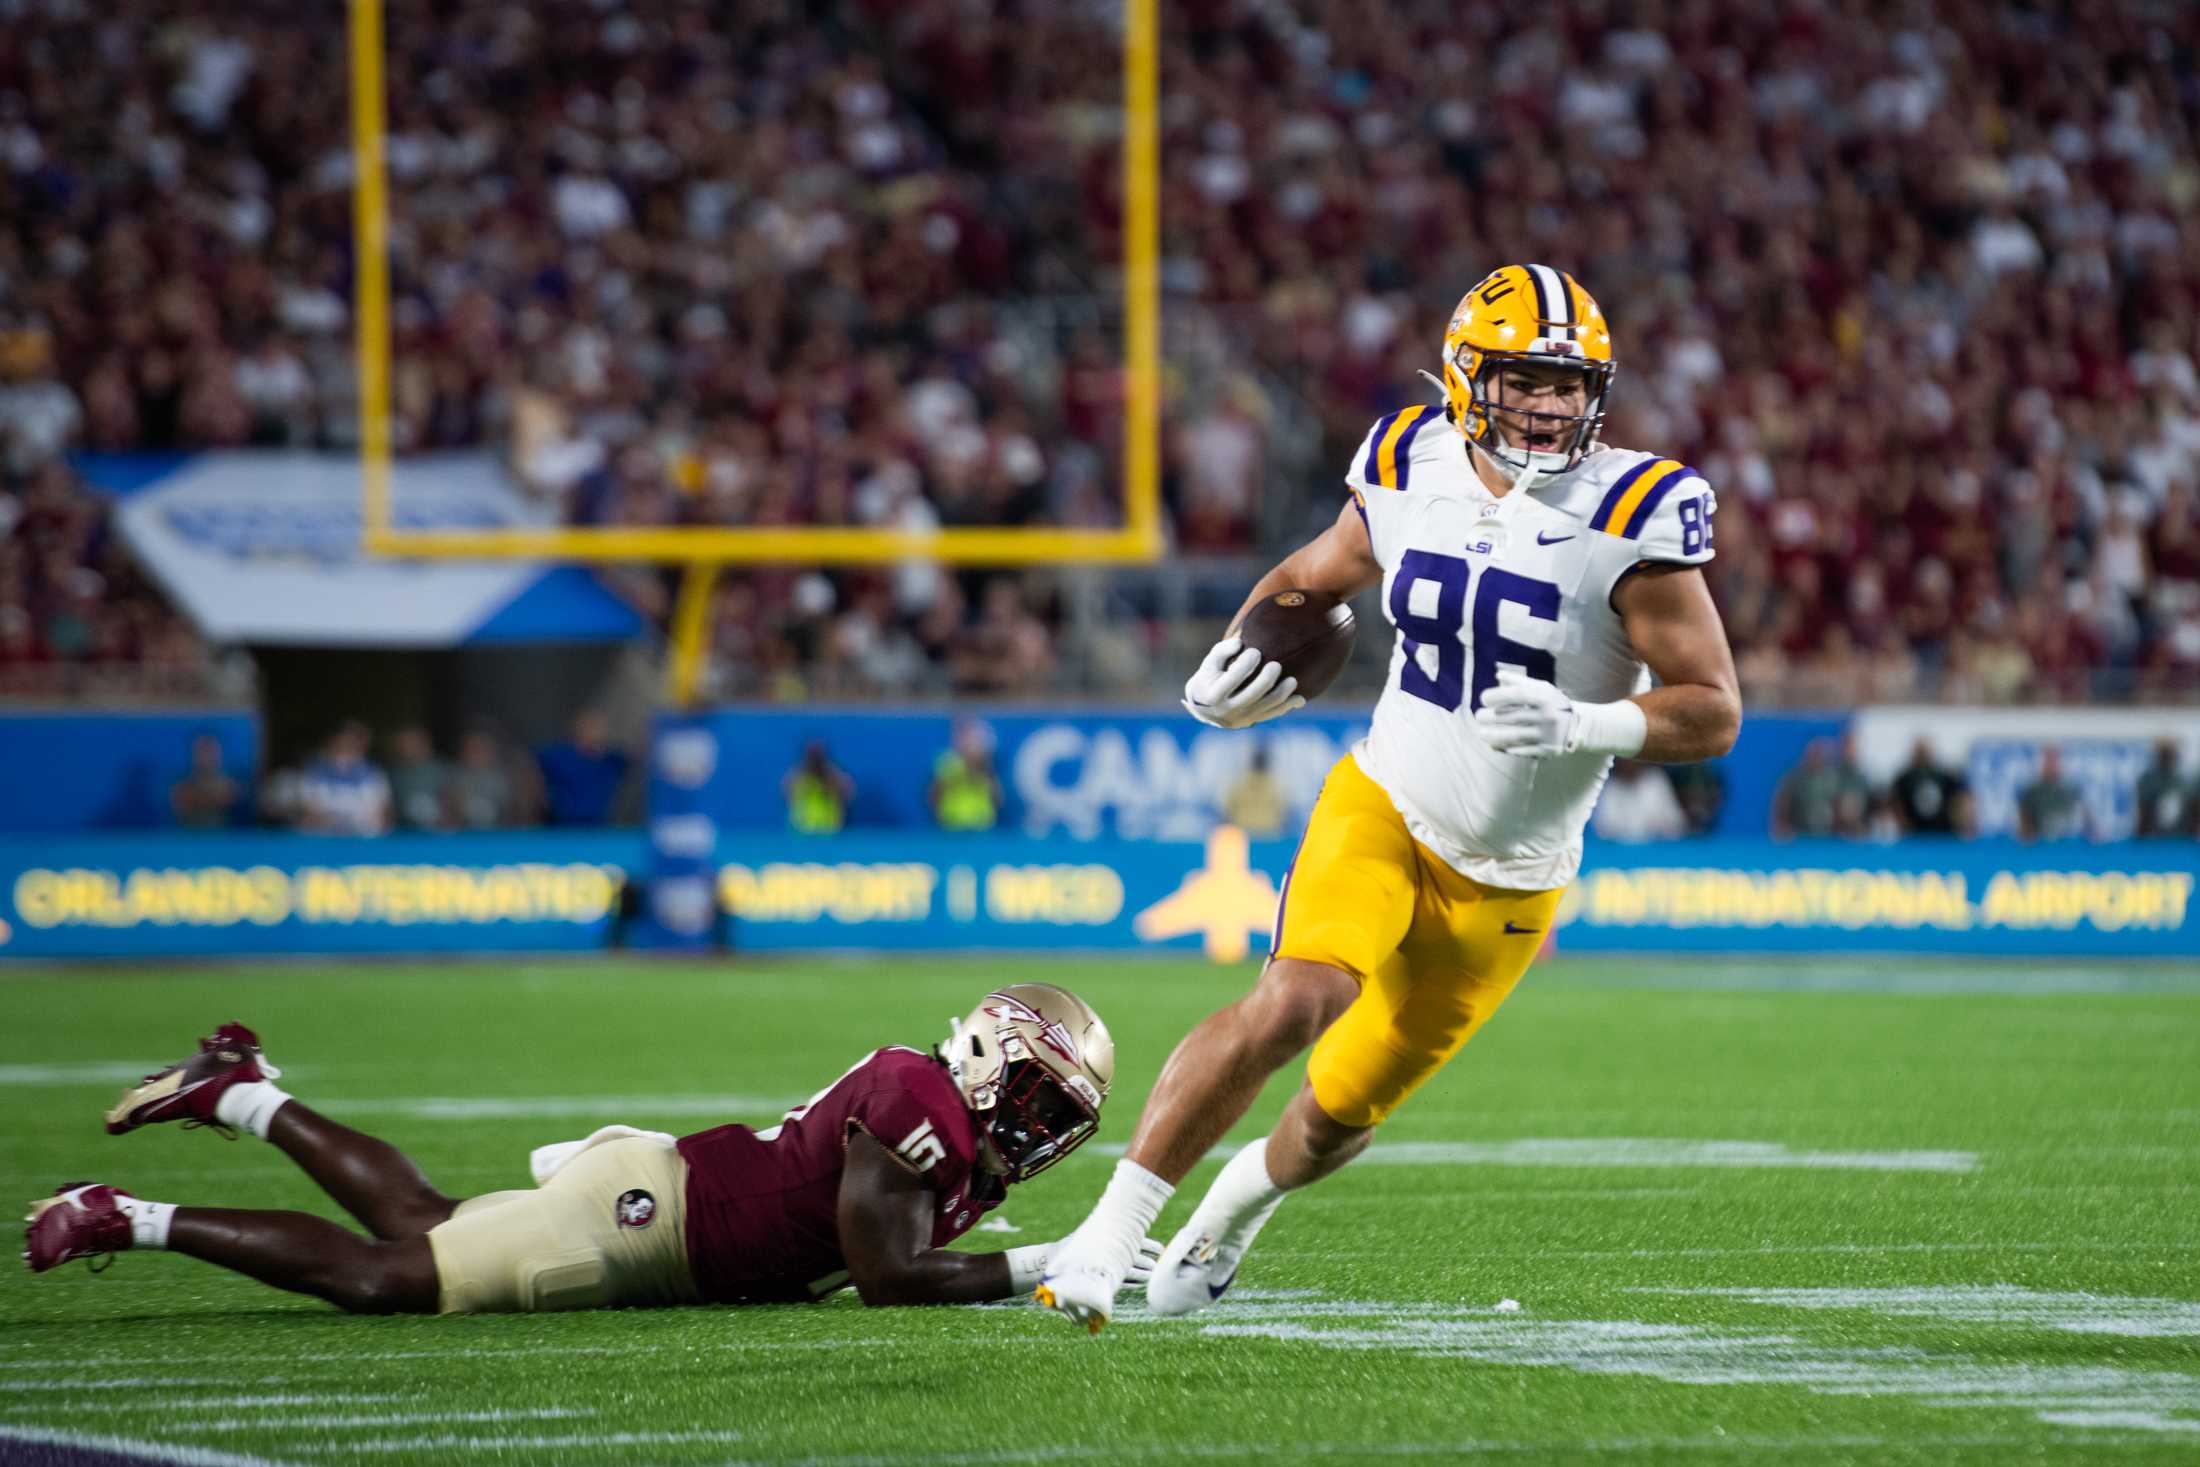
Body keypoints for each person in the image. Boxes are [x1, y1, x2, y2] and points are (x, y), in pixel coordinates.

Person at [1035, 264, 1740, 1331]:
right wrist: (1230, 661)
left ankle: (1231, 1210)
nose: (1549, 406)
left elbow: (1714, 709)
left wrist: (1588, 723)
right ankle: (1111, 1231)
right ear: (1465, 376)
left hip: (1510, 881)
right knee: (1298, 998)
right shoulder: (1407, 458)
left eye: (1568, 384)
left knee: (1333, 1118)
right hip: (1385, 802)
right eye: (1523, 380)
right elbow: (1312, 577)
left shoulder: (1638, 509)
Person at [27, 987, 1158, 1313]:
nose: (1034, 1127)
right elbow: (886, 1277)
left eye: (1056, 1114)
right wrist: (1050, 1264)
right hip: (646, 1225)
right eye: (1030, 1094)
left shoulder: (950, 1129)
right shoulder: (919, 1099)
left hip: (667, 1199)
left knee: (424, 1221)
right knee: (392, 1276)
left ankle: (239, 1093)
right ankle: (124, 1216)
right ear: (977, 1054)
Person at [534, 710, 631, 826]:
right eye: (590, 727)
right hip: (560, 826)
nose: (596, 732)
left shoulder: (613, 760)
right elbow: (529, 770)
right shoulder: (555, 755)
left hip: (597, 827)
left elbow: (640, 756)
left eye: (599, 728)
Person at [294, 721, 391, 836]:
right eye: (342, 742)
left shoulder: (374, 774)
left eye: (353, 743)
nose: (346, 746)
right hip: (323, 838)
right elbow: (307, 810)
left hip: (363, 839)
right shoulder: (313, 772)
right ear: (332, 742)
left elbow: (383, 813)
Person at [929, 718, 1002, 832]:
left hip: (981, 824)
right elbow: (933, 797)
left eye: (972, 739)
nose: (968, 743)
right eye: (964, 738)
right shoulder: (947, 761)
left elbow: (998, 798)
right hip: (951, 824)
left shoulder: (987, 764)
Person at [1590, 759, 1690, 842]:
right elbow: (1602, 829)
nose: (1629, 765)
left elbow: (1677, 823)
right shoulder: (1610, 787)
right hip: (1619, 855)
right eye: (1625, 762)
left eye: (1632, 761)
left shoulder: (1656, 780)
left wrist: (1661, 827)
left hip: (1657, 852)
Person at [1890, 738, 1970, 837]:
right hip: (1913, 835)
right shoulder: (1904, 779)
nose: (1923, 755)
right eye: (1920, 752)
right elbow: (1896, 804)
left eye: (1925, 751)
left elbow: (1957, 801)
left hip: (1943, 833)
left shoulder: (1945, 777)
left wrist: (1959, 824)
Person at [445, 726, 517, 830]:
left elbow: (511, 812)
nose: (475, 753)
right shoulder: (454, 776)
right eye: (471, 748)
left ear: (490, 751)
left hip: (496, 834)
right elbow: (448, 809)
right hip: (462, 834)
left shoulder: (502, 778)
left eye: (480, 748)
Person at [169, 731, 240, 830]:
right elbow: (179, 801)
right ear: (193, 754)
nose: (206, 756)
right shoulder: (180, 782)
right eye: (202, 751)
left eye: (210, 751)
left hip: (222, 838)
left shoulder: (230, 782)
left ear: (219, 754)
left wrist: (197, 798)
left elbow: (229, 798)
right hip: (188, 837)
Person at [2017, 747, 2087, 843]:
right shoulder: (2032, 792)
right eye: (2048, 760)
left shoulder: (2071, 791)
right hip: (2041, 845)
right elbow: (2024, 829)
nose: (2052, 765)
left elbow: (2087, 825)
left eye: (2055, 760)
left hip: (2067, 844)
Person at [386, 726, 449, 832]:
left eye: (411, 742)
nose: (406, 747)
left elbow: (450, 801)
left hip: (436, 832)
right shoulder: (393, 774)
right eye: (403, 743)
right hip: (404, 832)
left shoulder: (441, 770)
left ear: (423, 743)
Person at [784, 740, 855, 834]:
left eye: (817, 757)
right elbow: (786, 793)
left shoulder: (833, 777)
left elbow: (849, 791)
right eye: (812, 757)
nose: (814, 761)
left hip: (829, 828)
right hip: (801, 828)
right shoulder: (797, 777)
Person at [1219, 748, 1288, 838]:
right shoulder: (1275, 786)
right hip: (1269, 835)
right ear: (1267, 765)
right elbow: (1283, 810)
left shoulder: (1239, 784)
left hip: (1243, 834)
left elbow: (1227, 808)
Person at [2135, 739, 2197, 838]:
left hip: (2183, 838)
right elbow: (2144, 814)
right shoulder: (2148, 781)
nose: (2167, 758)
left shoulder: (2188, 781)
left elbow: (2195, 813)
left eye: (2170, 754)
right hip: (2156, 838)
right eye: (2164, 755)